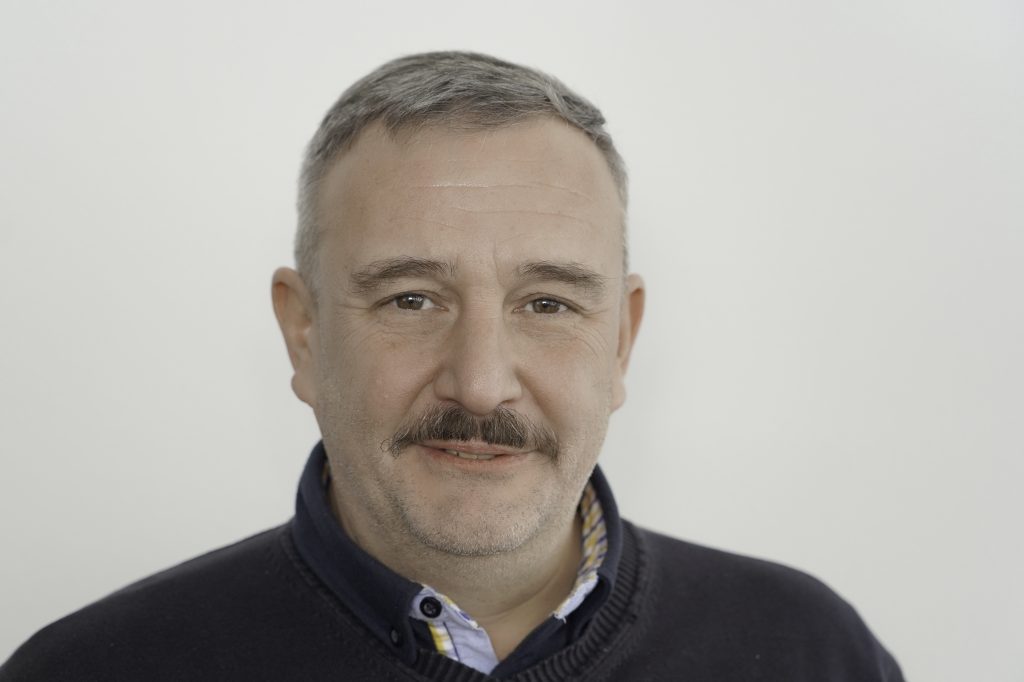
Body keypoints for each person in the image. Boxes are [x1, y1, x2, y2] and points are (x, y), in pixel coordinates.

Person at [1, 51, 903, 681]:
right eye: (411, 300)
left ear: (622, 342)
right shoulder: (88, 671)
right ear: (304, 333)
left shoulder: (812, 653)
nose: (480, 383)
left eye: (547, 304)